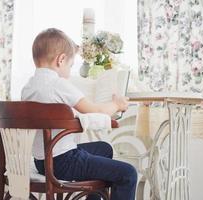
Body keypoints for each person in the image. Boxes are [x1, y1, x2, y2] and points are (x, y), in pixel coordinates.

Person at [21, 28, 137, 200]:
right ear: (61, 60)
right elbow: (96, 110)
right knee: (128, 174)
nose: (70, 70)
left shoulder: (27, 88)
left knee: (103, 149)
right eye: (70, 65)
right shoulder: (58, 84)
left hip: (42, 162)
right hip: (64, 162)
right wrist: (117, 104)